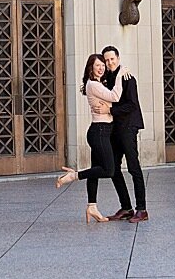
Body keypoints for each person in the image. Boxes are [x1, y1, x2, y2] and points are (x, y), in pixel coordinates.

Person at [55, 53, 131, 223]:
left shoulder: (97, 84)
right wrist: (119, 74)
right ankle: (74, 175)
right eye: (98, 65)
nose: (101, 67)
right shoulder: (93, 85)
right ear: (91, 68)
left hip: (102, 130)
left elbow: (111, 100)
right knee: (109, 170)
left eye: (103, 65)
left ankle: (92, 206)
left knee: (95, 170)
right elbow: (115, 97)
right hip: (100, 131)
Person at [102, 45, 148, 223]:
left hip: (128, 127)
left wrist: (111, 109)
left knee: (133, 168)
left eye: (112, 59)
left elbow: (132, 105)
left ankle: (142, 209)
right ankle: (127, 207)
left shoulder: (128, 78)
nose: (109, 62)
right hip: (115, 129)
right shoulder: (107, 78)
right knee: (112, 168)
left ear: (118, 59)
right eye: (106, 60)